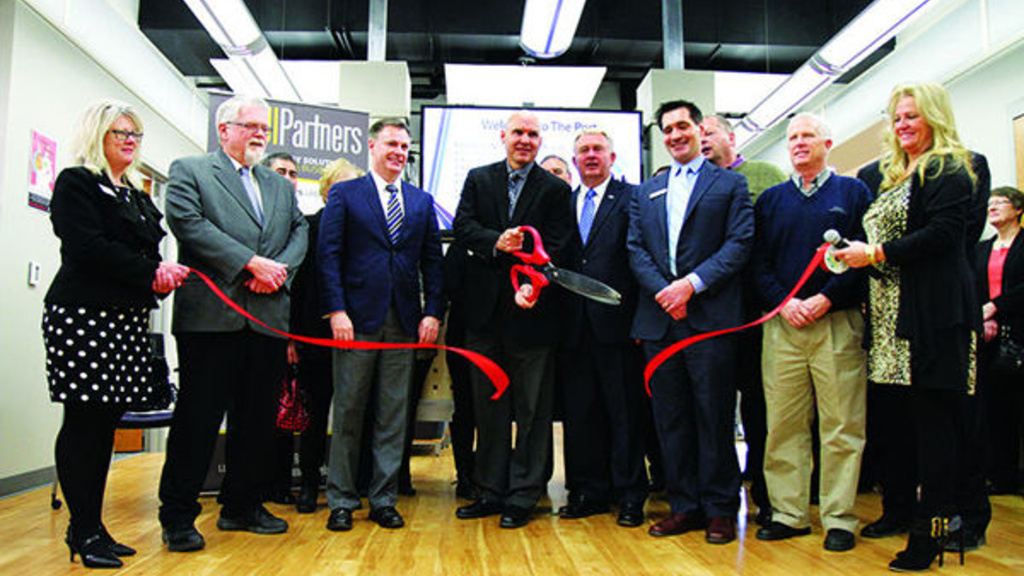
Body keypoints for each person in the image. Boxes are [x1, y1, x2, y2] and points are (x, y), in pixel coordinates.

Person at [835, 82, 981, 572]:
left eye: (912, 117)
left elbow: (943, 236)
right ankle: (910, 515)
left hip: (934, 319)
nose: (903, 126)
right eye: (897, 118)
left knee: (938, 431)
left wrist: (874, 253)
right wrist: (854, 255)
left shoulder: (950, 167)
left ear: (934, 117)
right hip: (891, 319)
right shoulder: (896, 174)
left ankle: (932, 534)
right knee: (907, 429)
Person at [158, 95, 308, 552]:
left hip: (266, 319)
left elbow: (300, 231)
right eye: (249, 126)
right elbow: (188, 224)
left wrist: (277, 270)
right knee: (198, 420)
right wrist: (249, 264)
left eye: (264, 127)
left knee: (257, 420)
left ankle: (242, 505)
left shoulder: (279, 186)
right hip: (211, 319)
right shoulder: (191, 170)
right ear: (223, 130)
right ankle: (178, 515)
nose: (259, 134)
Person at [43, 100, 188, 569]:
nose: (129, 139)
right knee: (84, 422)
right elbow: (87, 247)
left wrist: (160, 276)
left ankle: (93, 526)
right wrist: (151, 272)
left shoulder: (137, 196)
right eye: (120, 131)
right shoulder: (77, 183)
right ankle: (82, 529)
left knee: (106, 425)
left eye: (136, 134)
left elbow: (146, 253)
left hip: (125, 320)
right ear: (97, 133)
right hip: (82, 315)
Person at [627, 100, 753, 544]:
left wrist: (691, 286)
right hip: (660, 321)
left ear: (701, 130)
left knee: (713, 415)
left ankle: (720, 508)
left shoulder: (730, 184)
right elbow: (636, 248)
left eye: (683, 126)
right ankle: (684, 506)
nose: (676, 135)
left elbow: (740, 244)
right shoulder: (646, 192)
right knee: (671, 418)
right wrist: (667, 291)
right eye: (667, 129)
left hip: (710, 319)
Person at [751, 113, 871, 552]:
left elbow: (862, 256)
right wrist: (785, 303)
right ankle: (789, 513)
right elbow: (757, 262)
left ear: (828, 142)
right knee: (783, 423)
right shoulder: (771, 200)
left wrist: (826, 299)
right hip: (782, 325)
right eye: (793, 137)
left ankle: (839, 516)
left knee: (841, 424)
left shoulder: (854, 192)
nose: (799, 143)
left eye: (808, 136)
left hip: (836, 322)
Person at [318, 118, 444, 532]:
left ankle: (384, 498)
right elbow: (329, 256)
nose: (398, 152)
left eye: (405, 146)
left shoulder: (421, 201)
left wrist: (432, 313)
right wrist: (336, 310)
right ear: (372, 146)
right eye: (391, 143)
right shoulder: (345, 194)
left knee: (394, 414)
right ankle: (341, 498)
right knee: (350, 410)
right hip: (355, 321)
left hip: (404, 322)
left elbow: (433, 263)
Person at [452, 110, 573, 529]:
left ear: (540, 142)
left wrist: (533, 284)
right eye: (518, 132)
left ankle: (524, 494)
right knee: (490, 408)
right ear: (503, 136)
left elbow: (559, 244)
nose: (525, 139)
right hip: (483, 317)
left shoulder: (555, 189)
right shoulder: (478, 178)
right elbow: (463, 226)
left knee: (534, 408)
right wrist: (495, 242)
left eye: (533, 134)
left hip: (533, 314)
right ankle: (491, 490)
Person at [557, 129, 646, 527]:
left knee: (624, 414)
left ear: (612, 156)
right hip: (573, 328)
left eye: (598, 149)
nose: (591, 156)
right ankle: (588, 492)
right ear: (575, 161)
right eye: (583, 151)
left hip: (619, 327)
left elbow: (641, 261)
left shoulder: (633, 199)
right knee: (580, 414)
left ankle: (629, 495)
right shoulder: (562, 203)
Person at [701, 113, 787, 525]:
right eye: (696, 134)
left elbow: (773, 238)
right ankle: (717, 492)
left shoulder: (764, 174)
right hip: (709, 310)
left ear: (730, 137)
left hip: (755, 309)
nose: (702, 140)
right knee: (713, 405)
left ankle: (767, 491)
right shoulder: (693, 184)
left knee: (759, 404)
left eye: (709, 132)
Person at [278, 158, 365, 514]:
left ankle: (352, 484)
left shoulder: (366, 232)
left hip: (361, 337)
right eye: (339, 188)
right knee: (315, 415)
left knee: (355, 414)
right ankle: (309, 484)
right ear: (327, 190)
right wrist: (292, 337)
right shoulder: (308, 228)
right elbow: (297, 287)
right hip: (315, 337)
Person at [977, 186, 1024, 497]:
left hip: (1020, 331)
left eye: (1000, 203)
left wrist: (997, 306)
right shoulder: (981, 248)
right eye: (989, 203)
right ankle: (1001, 475)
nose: (992, 208)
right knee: (996, 408)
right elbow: (974, 287)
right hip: (988, 335)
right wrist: (985, 316)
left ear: (1018, 209)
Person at [263, 150, 302, 506]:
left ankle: (277, 485)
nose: (287, 178)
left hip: (285, 327)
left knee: (282, 412)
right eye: (280, 171)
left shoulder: (298, 223)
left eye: (292, 173)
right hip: (248, 322)